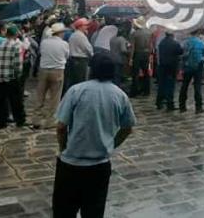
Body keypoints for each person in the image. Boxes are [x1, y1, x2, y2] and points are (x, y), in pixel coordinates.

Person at [53, 54, 136, 218]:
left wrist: (63, 147)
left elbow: (61, 126)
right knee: (93, 212)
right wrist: (112, 144)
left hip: (71, 163)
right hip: (99, 165)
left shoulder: (76, 90)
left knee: (63, 211)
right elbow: (128, 127)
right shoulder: (119, 95)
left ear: (92, 70)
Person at [33, 22, 70, 129]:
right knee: (55, 98)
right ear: (60, 33)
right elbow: (67, 56)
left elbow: (41, 52)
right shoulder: (64, 44)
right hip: (57, 70)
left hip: (43, 70)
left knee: (40, 95)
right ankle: (51, 120)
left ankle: (36, 119)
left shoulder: (44, 42)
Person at [0, 25, 26, 129]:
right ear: (15, 35)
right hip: (11, 78)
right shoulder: (16, 46)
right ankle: (20, 121)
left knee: (1, 102)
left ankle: (1, 123)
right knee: (16, 101)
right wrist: (17, 76)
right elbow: (18, 65)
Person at [179, 29, 204, 113]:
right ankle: (198, 107)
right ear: (197, 33)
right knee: (197, 86)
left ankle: (182, 106)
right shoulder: (200, 42)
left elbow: (182, 52)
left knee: (184, 85)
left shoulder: (186, 42)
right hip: (198, 66)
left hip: (187, 66)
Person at [156, 32, 182, 111]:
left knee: (162, 84)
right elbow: (180, 51)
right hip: (172, 67)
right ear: (172, 35)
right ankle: (170, 103)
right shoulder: (175, 43)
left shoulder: (162, 43)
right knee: (170, 85)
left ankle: (159, 102)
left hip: (162, 66)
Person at [65, 18, 93, 91]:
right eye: (85, 25)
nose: (87, 27)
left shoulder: (74, 34)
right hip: (80, 60)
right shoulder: (81, 36)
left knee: (73, 80)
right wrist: (92, 55)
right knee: (80, 80)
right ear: (80, 26)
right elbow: (88, 48)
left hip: (73, 59)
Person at [129, 18, 152, 97]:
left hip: (138, 53)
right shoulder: (149, 33)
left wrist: (131, 58)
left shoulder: (135, 34)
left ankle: (134, 92)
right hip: (146, 53)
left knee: (135, 74)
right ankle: (146, 91)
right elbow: (151, 45)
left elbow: (133, 47)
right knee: (146, 73)